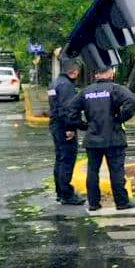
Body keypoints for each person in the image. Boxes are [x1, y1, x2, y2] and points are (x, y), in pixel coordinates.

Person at [64, 66, 135, 211]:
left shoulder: (86, 91)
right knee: (116, 171)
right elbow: (132, 101)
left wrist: (83, 125)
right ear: (110, 73)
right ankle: (122, 202)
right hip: (114, 137)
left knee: (92, 171)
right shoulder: (114, 89)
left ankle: (93, 203)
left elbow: (70, 110)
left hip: (93, 137)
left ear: (96, 75)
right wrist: (120, 118)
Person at [47, 60, 85, 205]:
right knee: (67, 160)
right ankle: (66, 194)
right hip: (64, 126)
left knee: (60, 159)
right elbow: (68, 110)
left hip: (56, 124)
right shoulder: (66, 86)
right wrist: (70, 128)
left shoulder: (54, 83)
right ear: (74, 72)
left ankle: (60, 191)